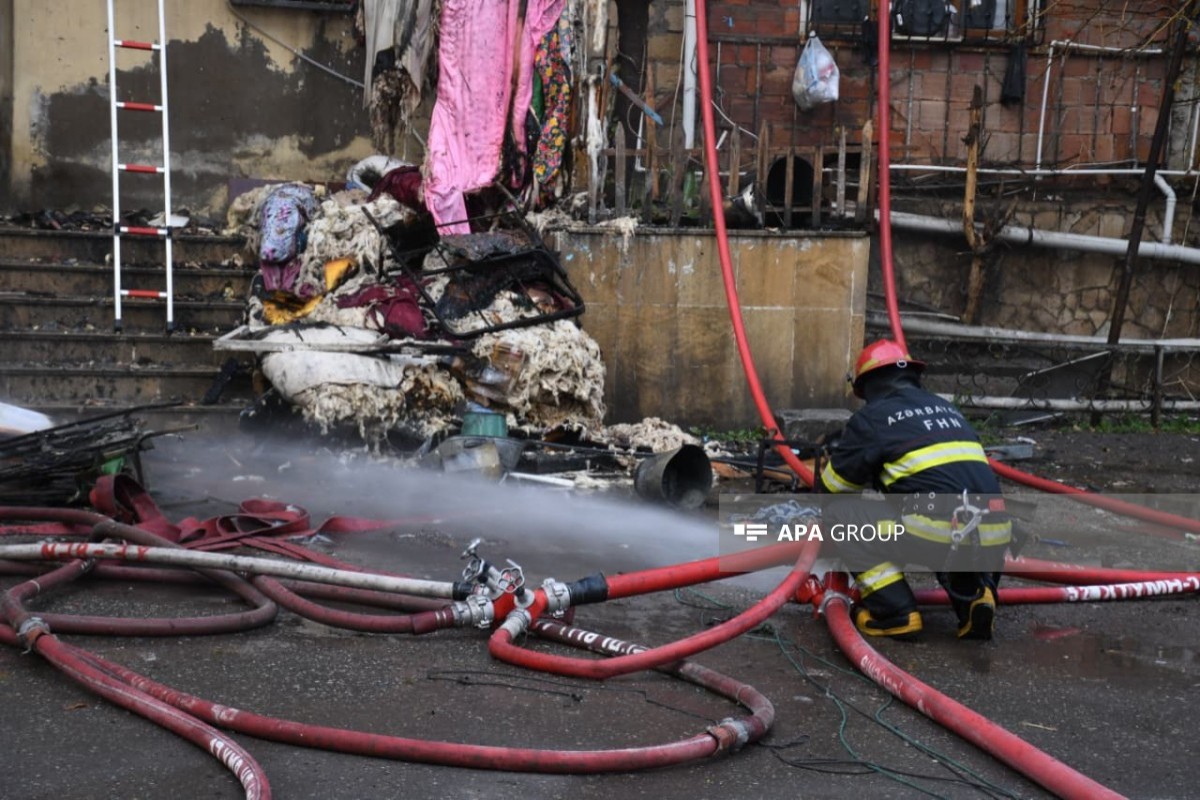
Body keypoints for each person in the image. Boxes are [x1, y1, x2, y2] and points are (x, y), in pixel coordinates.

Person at [817, 340, 1011, 640]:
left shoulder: (872, 417)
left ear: (866, 385)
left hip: (937, 528)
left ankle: (896, 613)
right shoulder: (948, 409)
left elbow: (833, 490)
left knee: (841, 517)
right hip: (997, 530)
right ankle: (975, 598)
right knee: (943, 521)